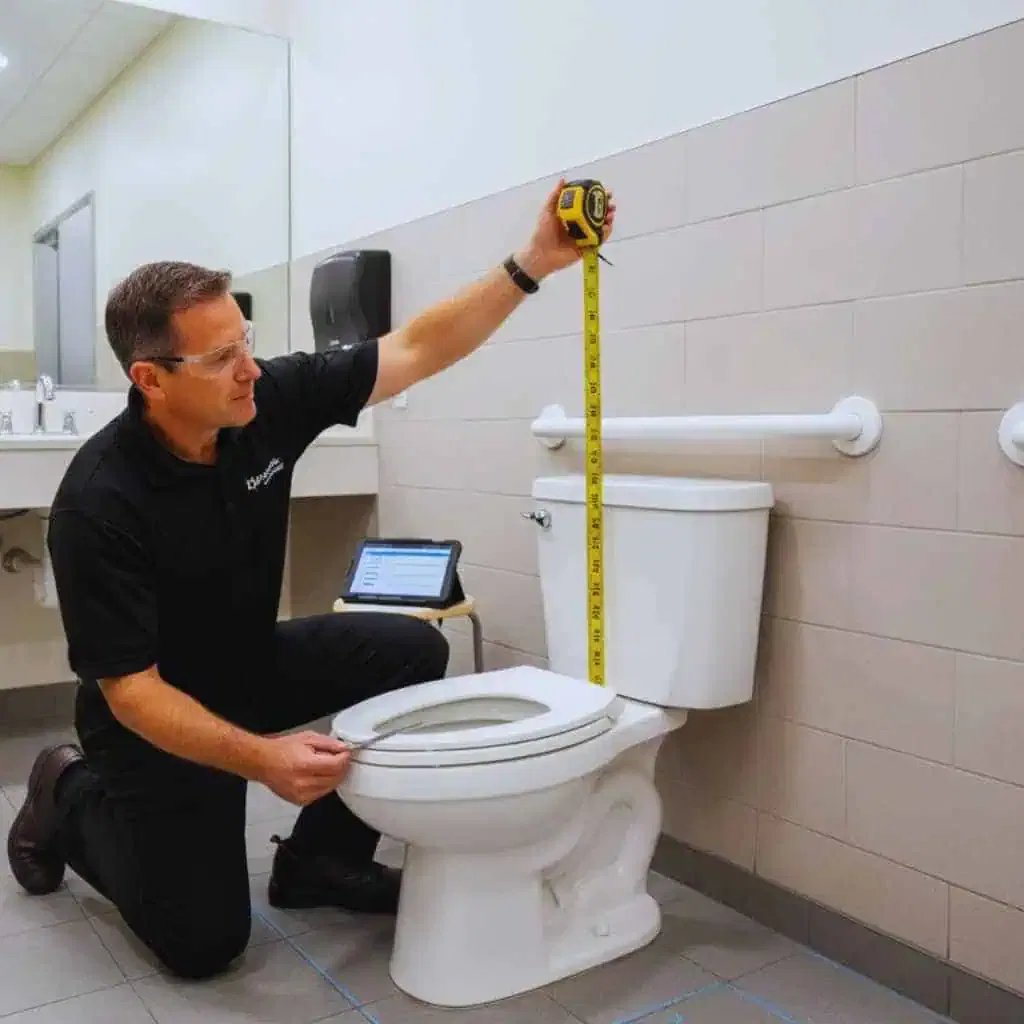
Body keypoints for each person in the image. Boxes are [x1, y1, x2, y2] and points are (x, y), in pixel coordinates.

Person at [5, 179, 615, 980]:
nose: (248, 370)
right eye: (221, 358)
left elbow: (417, 348)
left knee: (409, 650)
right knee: (204, 943)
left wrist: (532, 262)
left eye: (245, 341)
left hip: (247, 663)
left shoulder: (267, 402)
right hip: (152, 720)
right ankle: (68, 792)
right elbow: (131, 692)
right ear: (151, 379)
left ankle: (320, 863)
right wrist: (262, 760)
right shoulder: (99, 499)